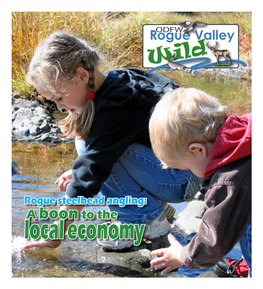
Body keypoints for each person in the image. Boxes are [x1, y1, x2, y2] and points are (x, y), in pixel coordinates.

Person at [21, 32, 200, 251]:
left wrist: (55, 234)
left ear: (81, 76)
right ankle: (153, 208)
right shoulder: (119, 78)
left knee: (89, 147)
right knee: (89, 145)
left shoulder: (115, 107)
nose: (59, 107)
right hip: (184, 170)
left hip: (182, 180)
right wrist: (77, 170)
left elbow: (92, 169)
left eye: (59, 98)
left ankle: (144, 219)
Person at [149, 87, 251, 276]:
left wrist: (183, 255)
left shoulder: (228, 180)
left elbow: (214, 241)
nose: (190, 173)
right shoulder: (246, 128)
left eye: (187, 168)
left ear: (198, 150)